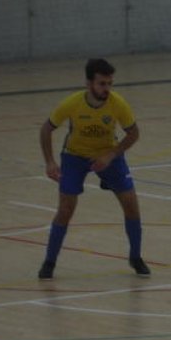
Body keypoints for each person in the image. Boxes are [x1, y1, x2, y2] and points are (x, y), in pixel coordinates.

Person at [37, 58, 150, 279]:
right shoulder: (72, 103)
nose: (107, 89)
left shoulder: (118, 103)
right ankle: (49, 261)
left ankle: (135, 257)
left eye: (110, 84)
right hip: (75, 156)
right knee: (66, 209)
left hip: (108, 155)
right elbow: (46, 129)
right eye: (102, 84)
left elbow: (134, 133)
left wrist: (111, 155)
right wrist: (50, 161)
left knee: (131, 205)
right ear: (89, 84)